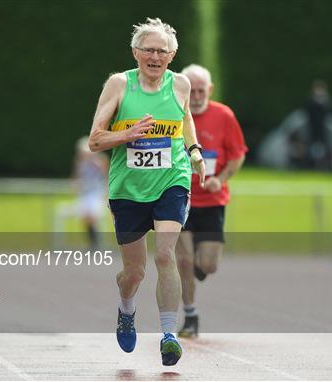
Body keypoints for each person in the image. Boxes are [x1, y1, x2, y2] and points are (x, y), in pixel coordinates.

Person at [88, 18, 205, 366]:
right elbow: (95, 139)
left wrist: (194, 149)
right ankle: (126, 309)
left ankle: (169, 334)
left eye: (162, 51)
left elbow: (184, 118)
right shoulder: (119, 85)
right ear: (136, 52)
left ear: (172, 55)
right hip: (128, 189)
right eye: (149, 50)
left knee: (166, 255)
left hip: (172, 180)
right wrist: (127, 135)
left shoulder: (181, 85)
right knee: (134, 273)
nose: (155, 56)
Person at [175, 64, 247, 338]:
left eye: (201, 91)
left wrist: (223, 177)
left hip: (212, 200)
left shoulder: (224, 115)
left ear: (210, 90)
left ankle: (197, 265)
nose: (196, 97)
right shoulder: (173, 115)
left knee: (208, 265)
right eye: (192, 91)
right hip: (179, 197)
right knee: (182, 258)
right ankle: (190, 316)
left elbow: (238, 153)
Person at [72, 136, 109, 248]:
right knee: (84, 216)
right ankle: (92, 242)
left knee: (92, 215)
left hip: (97, 194)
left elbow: (106, 176)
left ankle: (95, 242)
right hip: (85, 194)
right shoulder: (79, 162)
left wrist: (106, 193)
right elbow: (76, 177)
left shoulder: (101, 161)